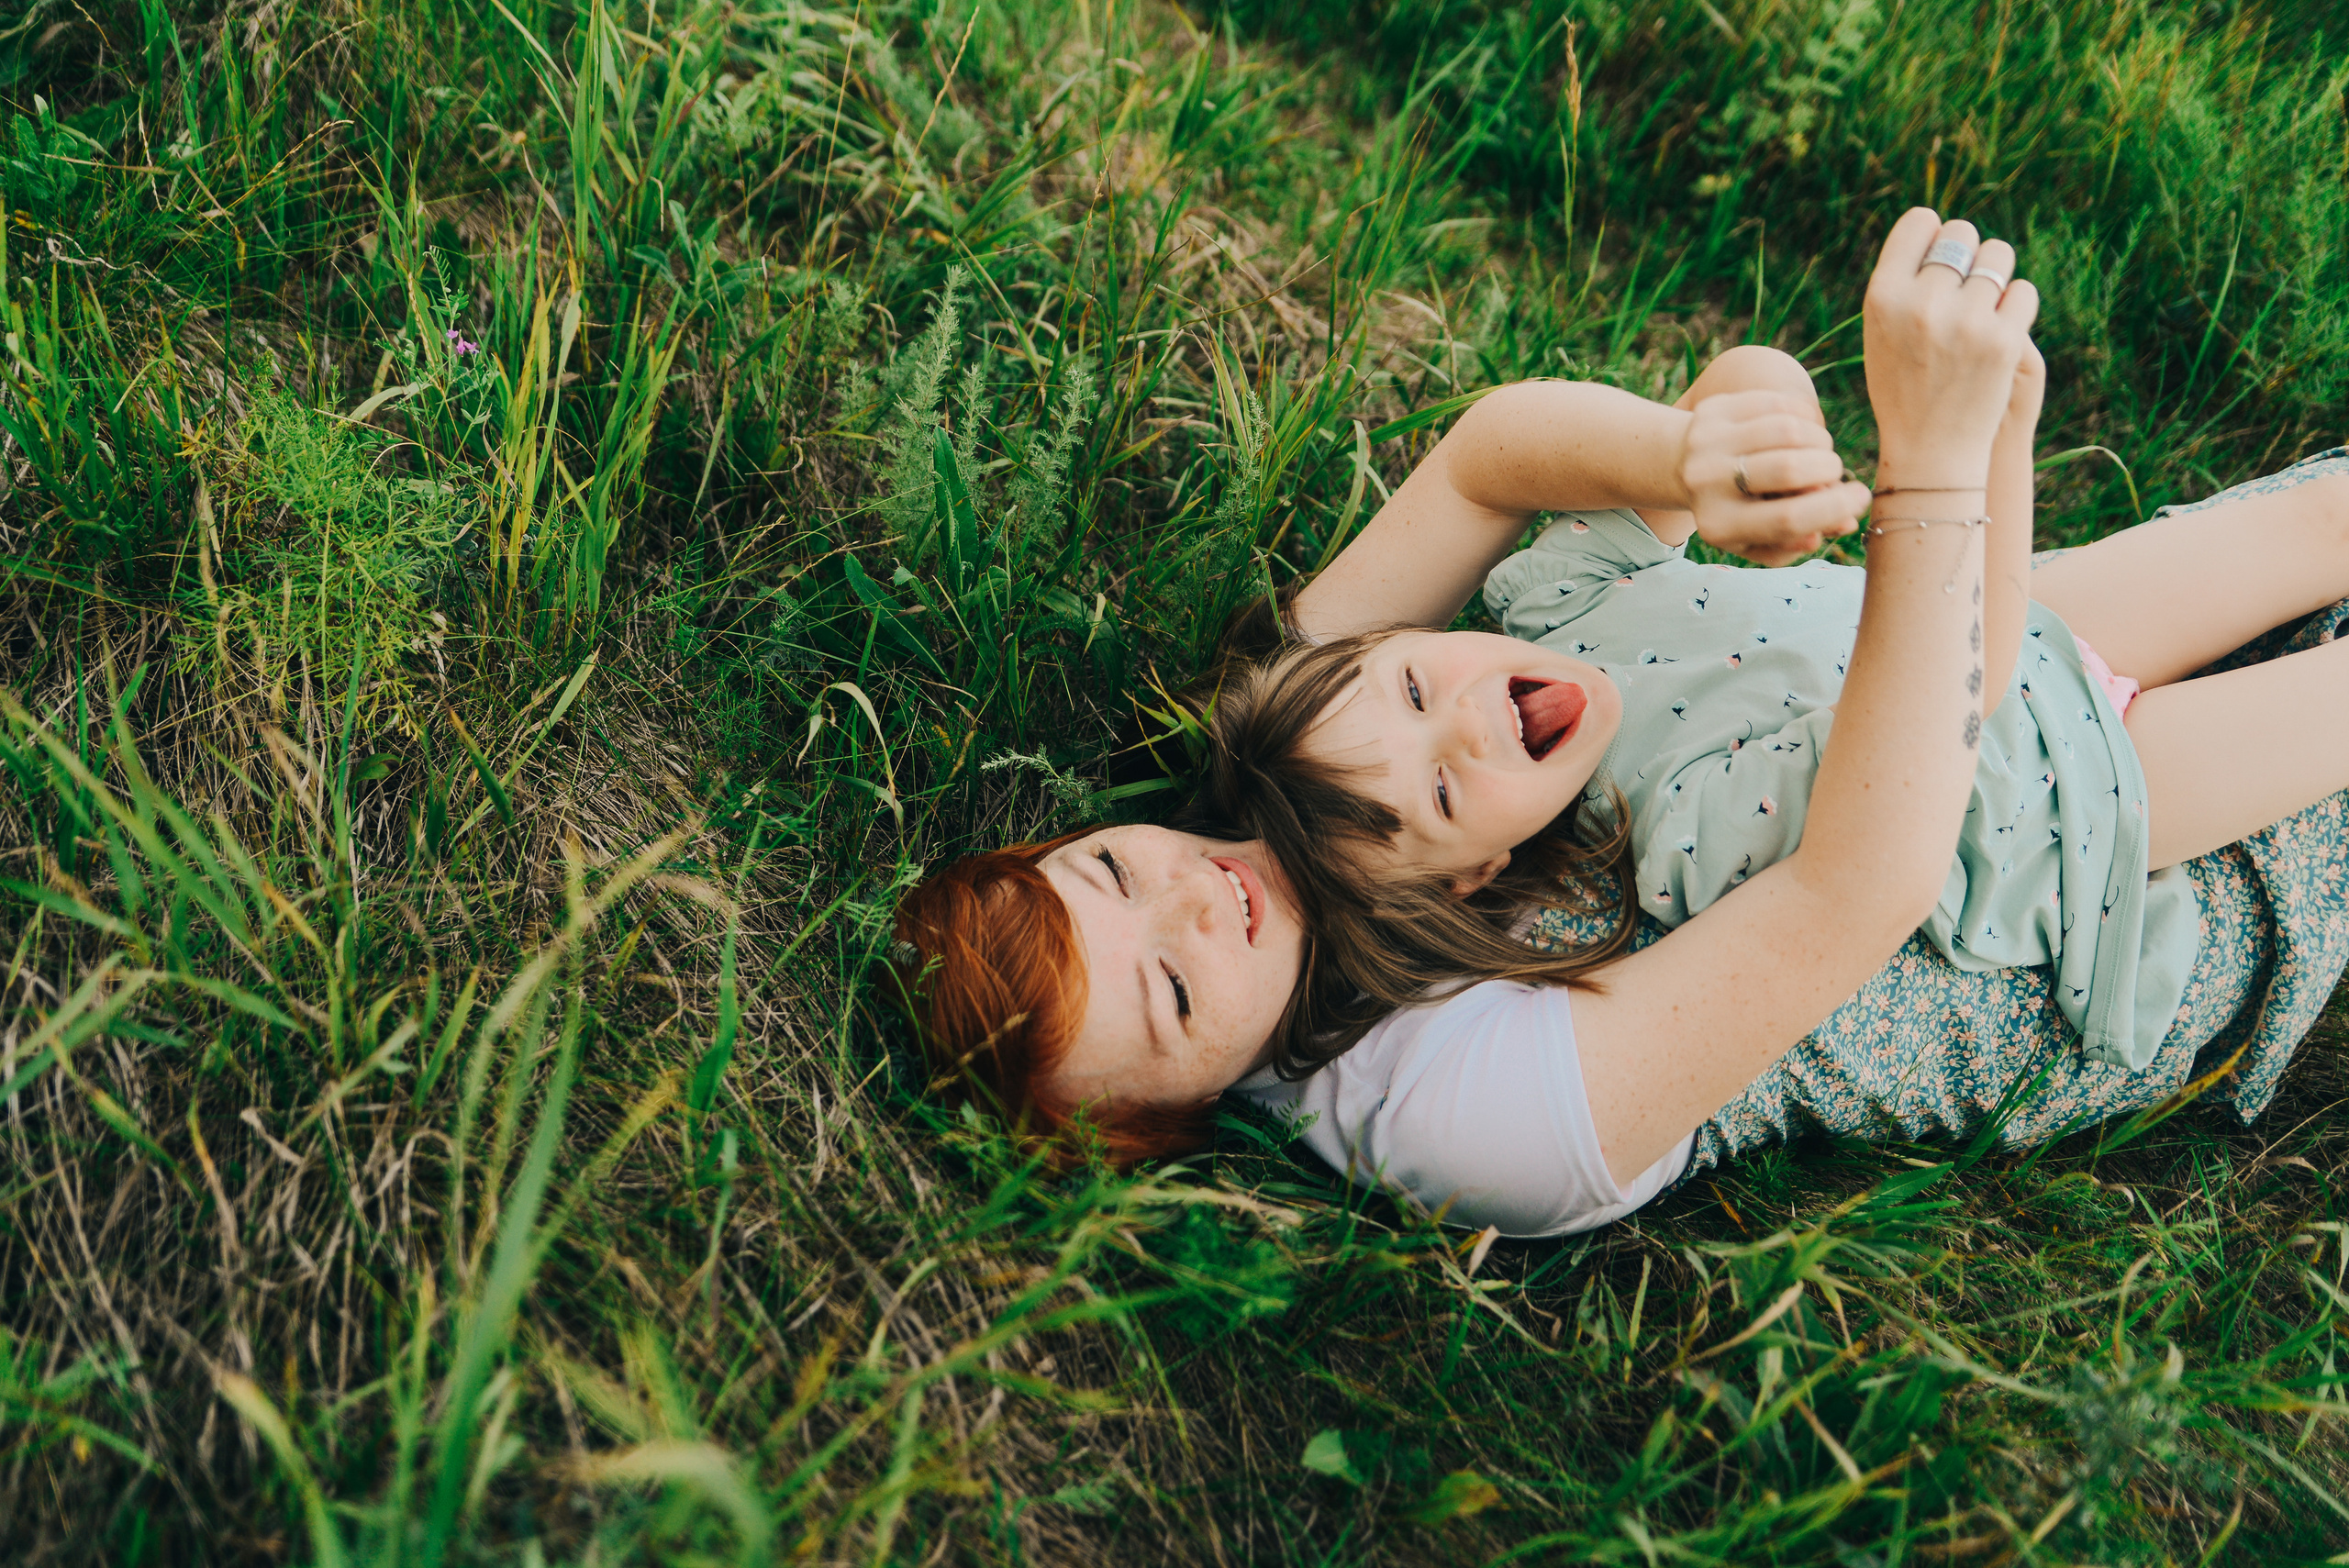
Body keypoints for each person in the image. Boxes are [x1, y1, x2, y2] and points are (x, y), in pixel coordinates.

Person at [890, 208, 2041, 1195]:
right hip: (2059, 910)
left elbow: (1481, 463)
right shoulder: (1444, 1109)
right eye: (1176, 991)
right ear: (1167, 1127)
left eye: (1111, 872)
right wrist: (1936, 469)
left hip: (1905, 668)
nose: (1191, 900)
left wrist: (1685, 459)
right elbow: (1855, 892)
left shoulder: (1272, 747)